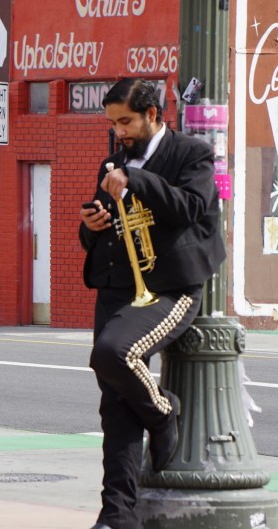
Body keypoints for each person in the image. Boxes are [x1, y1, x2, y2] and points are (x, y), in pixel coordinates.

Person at [79, 78, 226, 529]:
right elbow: (96, 235)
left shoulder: (190, 154)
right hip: (118, 287)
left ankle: (164, 413)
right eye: (112, 122)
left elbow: (191, 207)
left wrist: (136, 179)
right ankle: (116, 515)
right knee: (115, 405)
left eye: (125, 121)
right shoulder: (114, 160)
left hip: (170, 289)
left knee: (111, 353)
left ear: (153, 115)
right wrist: (94, 223)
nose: (118, 131)